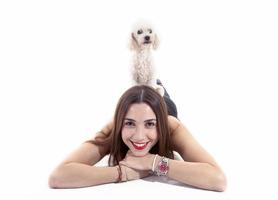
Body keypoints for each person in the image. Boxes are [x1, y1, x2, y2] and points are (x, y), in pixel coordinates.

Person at [48, 84, 227, 191]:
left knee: (156, 89)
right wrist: (120, 173)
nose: (139, 136)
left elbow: (218, 180)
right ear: (120, 122)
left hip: (165, 106)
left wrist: (153, 162)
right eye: (130, 123)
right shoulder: (113, 129)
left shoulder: (172, 127)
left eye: (150, 124)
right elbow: (58, 176)